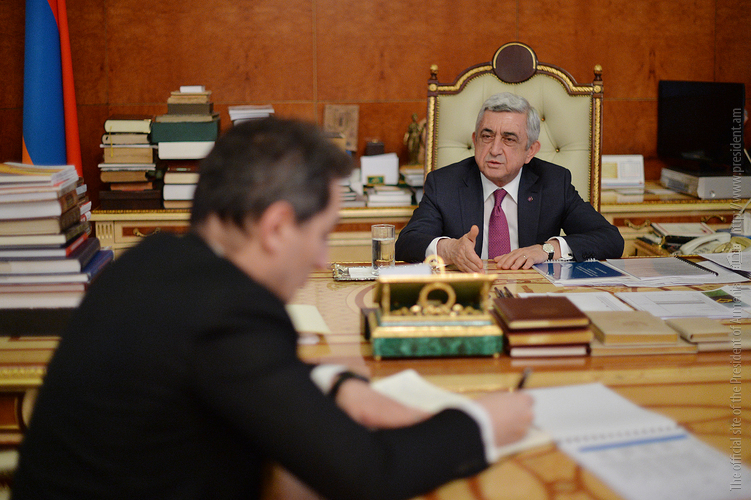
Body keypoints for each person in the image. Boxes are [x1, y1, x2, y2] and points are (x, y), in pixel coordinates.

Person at [12, 117, 533, 500]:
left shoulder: (154, 259)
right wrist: (483, 421)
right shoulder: (229, 311)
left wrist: (335, 384)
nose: (322, 258)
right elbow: (369, 474)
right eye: (321, 235)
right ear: (277, 226)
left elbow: (225, 371)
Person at [395, 92, 624, 273]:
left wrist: (546, 249)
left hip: (534, 297)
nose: (494, 149)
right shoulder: (445, 183)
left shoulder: (553, 182)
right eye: (487, 136)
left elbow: (610, 239)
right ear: (475, 140)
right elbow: (406, 242)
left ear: (530, 150)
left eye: (509, 139)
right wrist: (448, 249)